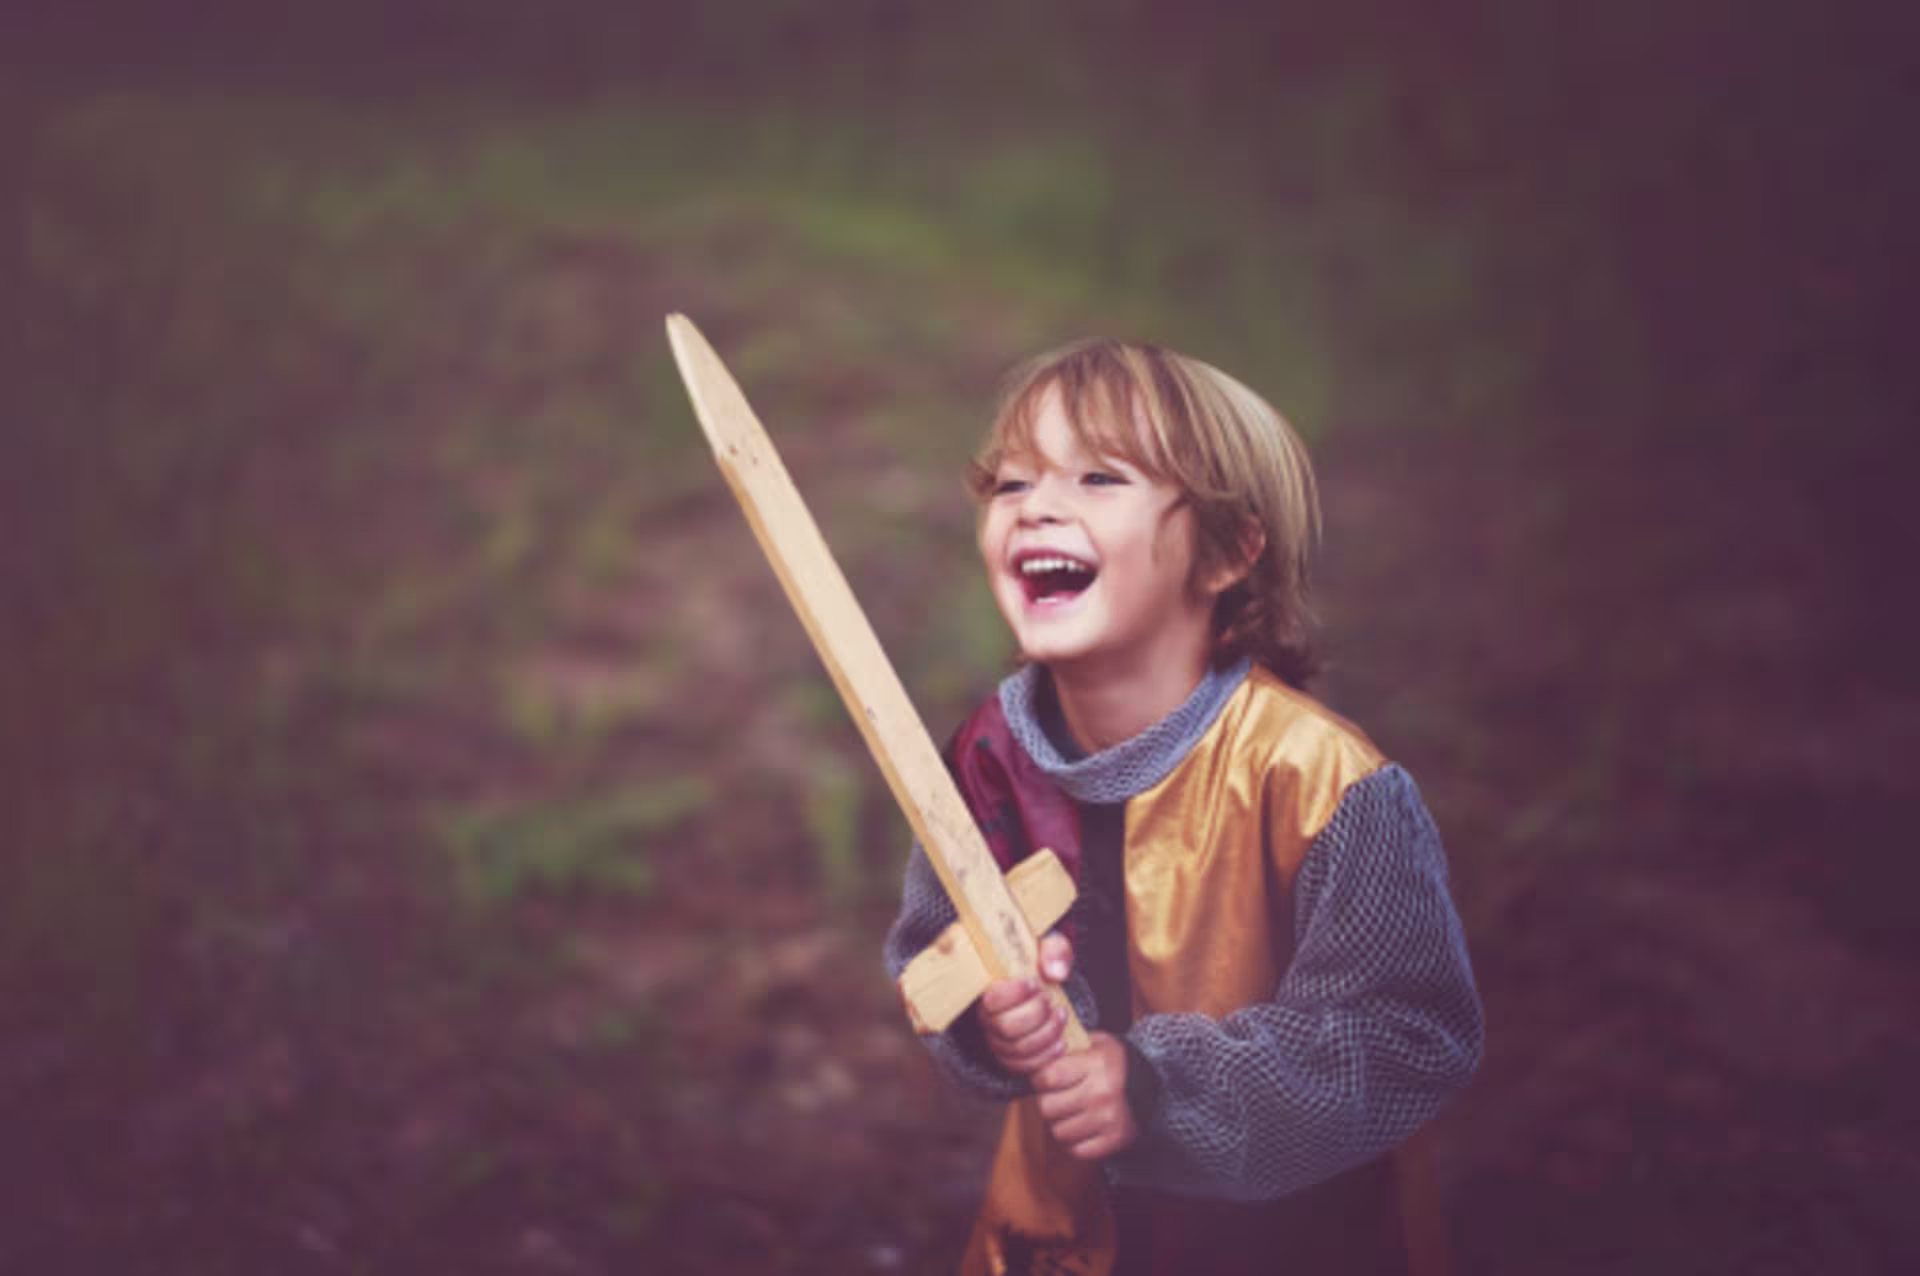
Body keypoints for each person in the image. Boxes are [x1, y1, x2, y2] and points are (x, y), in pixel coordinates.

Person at [883, 339, 1484, 1276]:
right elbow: (934, 957)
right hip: (1063, 1241)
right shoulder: (985, 769)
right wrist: (999, 1024)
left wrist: (1158, 1086)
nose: (1037, 505)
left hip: (1289, 1248)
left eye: (1097, 478)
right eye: (1010, 484)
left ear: (1226, 551)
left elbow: (1405, 1036)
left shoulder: (1322, 783)